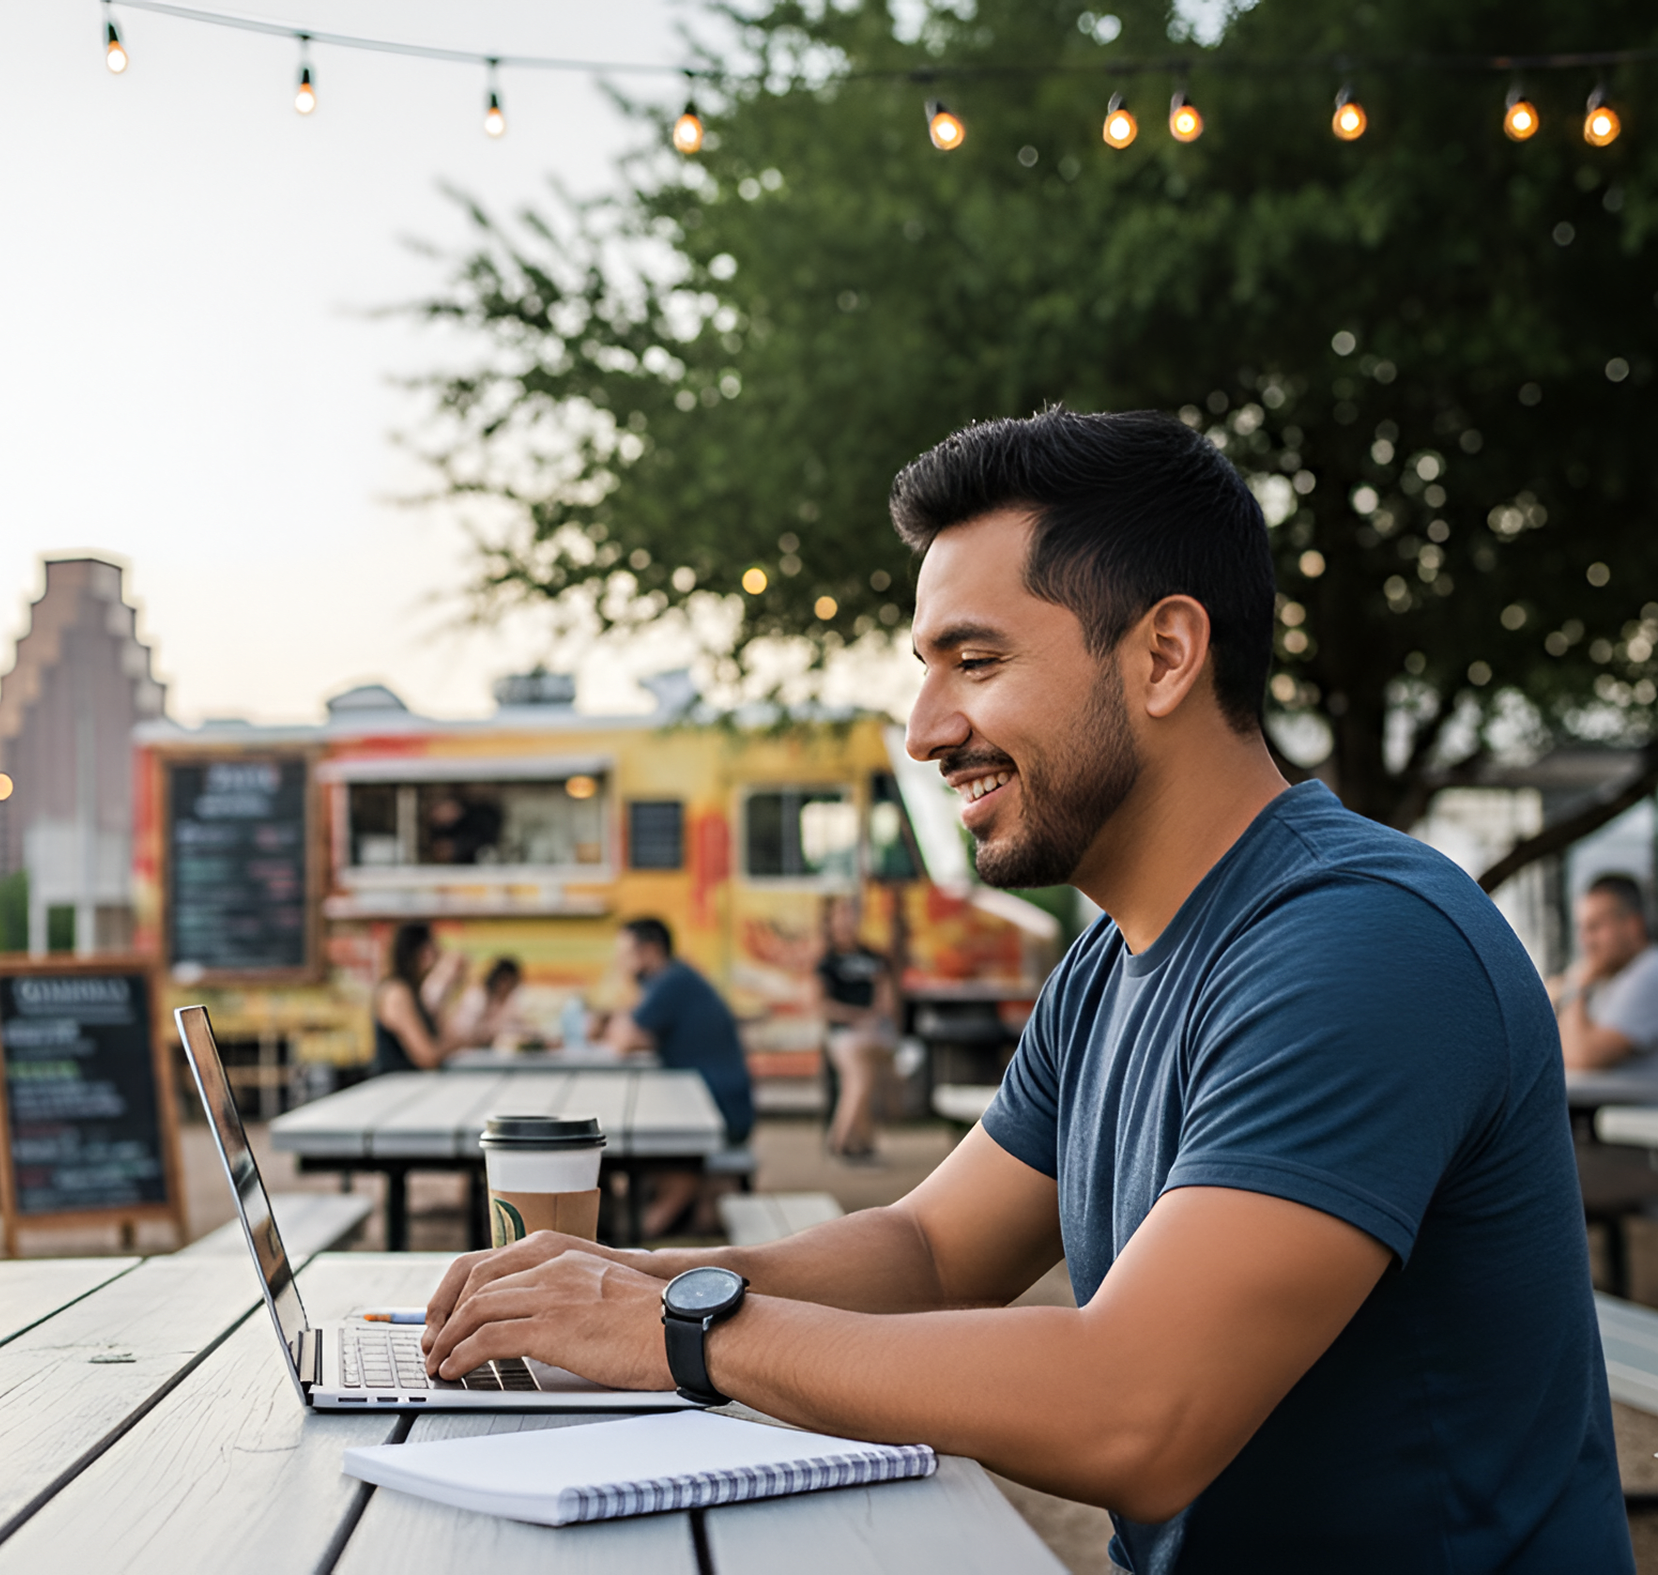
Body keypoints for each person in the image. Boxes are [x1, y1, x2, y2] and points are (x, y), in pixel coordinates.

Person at [420, 408, 1625, 1572]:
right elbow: (932, 1252)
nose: (925, 729)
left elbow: (1135, 1414)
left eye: (976, 661)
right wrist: (630, 1283)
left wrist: (685, 1334)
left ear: (1163, 655)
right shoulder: (1110, 962)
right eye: (924, 671)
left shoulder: (1363, 944)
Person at [598, 917, 753, 1235]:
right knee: (656, 1160)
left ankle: (636, 1237)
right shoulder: (675, 980)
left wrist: (622, 1023)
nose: (621, 963)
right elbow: (633, 1035)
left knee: (671, 1164)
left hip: (720, 1109)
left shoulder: (672, 982)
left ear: (650, 951)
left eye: (626, 954)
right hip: (716, 1099)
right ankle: (653, 1223)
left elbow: (625, 1039)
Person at [813, 894, 898, 1164]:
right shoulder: (826, 963)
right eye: (841, 915)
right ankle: (850, 1141)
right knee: (860, 1076)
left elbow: (887, 1000)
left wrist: (873, 1017)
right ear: (829, 922)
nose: (847, 921)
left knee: (862, 1074)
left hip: (874, 1033)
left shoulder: (874, 957)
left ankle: (849, 1141)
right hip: (845, 1034)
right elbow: (821, 1005)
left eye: (850, 914)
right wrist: (857, 1016)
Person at [1556, 873, 1658, 1071]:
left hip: (1632, 1103)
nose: (1586, 940)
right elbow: (1559, 1051)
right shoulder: (1610, 975)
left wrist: (1575, 987)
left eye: (1595, 927)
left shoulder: (1650, 971)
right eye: (1582, 928)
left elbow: (1583, 1057)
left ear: (1632, 925)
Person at [370, 921, 456, 1073]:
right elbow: (427, 1057)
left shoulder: (413, 991)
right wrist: (458, 1044)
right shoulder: (397, 992)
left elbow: (441, 1038)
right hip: (396, 1088)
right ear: (423, 953)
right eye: (435, 949)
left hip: (408, 1086)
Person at [446, 956, 530, 1050]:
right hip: (463, 1049)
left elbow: (519, 1024)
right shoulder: (477, 997)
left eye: (512, 982)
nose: (507, 986)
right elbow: (463, 1032)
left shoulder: (510, 1000)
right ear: (497, 979)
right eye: (504, 980)